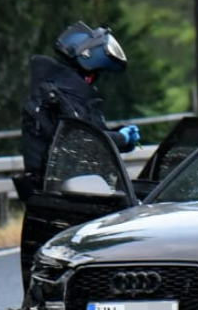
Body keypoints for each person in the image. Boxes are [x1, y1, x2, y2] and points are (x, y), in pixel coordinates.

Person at [15, 21, 140, 199]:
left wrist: (121, 137)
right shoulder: (59, 97)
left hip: (68, 192)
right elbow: (84, 140)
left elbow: (91, 133)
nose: (93, 82)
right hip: (60, 196)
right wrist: (122, 138)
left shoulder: (68, 95)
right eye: (94, 75)